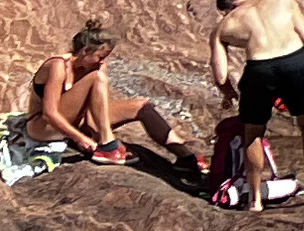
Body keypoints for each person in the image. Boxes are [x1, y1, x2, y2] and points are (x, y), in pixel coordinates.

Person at [209, 0, 304, 210]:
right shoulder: (282, 0)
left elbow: (220, 75)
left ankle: (254, 200)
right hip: (295, 60)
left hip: (259, 69)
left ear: (224, 11)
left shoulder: (223, 26)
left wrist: (229, 94)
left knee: (253, 133)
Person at [11, 23, 190, 176]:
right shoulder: (58, 66)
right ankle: (107, 145)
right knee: (97, 78)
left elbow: (98, 109)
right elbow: (50, 113)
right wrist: (81, 138)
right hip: (42, 127)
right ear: (85, 51)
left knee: (142, 106)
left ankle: (187, 158)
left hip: (75, 120)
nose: (102, 62)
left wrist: (93, 131)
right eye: (100, 57)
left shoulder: (96, 68)